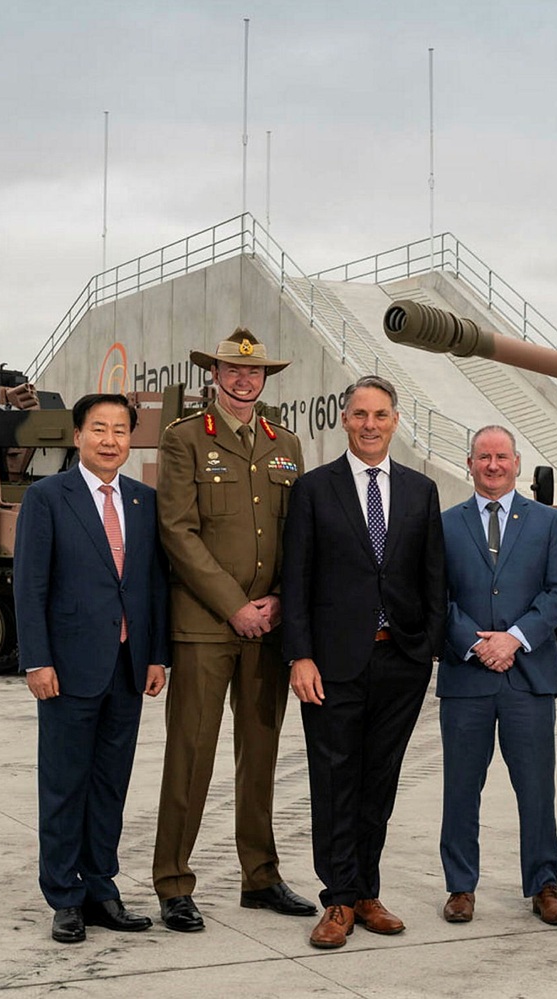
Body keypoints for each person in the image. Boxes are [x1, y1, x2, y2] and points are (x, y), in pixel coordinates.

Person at [151, 328, 315, 932]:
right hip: (205, 626)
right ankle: (172, 881)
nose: (244, 380)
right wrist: (233, 605)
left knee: (262, 755)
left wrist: (276, 601)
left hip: (268, 627)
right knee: (190, 755)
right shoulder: (185, 439)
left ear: (265, 379)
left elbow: (299, 534)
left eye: (255, 372)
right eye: (233, 370)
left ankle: (261, 876)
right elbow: (177, 530)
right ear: (215, 374)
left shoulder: (286, 444)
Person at [281, 374, 446, 949]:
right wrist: (300, 655)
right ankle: (337, 900)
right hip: (331, 664)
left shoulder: (421, 491)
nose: (370, 424)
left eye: (380, 415)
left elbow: (433, 578)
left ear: (395, 420)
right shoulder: (313, 490)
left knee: (380, 781)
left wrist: (426, 648)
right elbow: (295, 581)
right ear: (344, 420)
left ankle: (366, 891)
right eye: (359, 415)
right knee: (334, 780)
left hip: (399, 660)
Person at [13, 392, 169, 945]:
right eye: (99, 429)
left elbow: (152, 585)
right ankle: (64, 896)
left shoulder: (144, 502)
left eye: (121, 430)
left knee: (109, 785)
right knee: (63, 785)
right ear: (77, 435)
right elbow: (29, 586)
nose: (110, 440)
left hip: (127, 668)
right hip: (67, 668)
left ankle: (102, 888)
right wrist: (36, 658)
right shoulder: (47, 498)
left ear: (132, 438)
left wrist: (156, 654)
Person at [437, 426, 557, 927]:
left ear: (518, 463)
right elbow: (437, 598)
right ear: (469, 463)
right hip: (467, 678)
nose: (492, 465)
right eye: (482, 457)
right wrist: (476, 642)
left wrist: (513, 638)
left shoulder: (546, 522)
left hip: (528, 678)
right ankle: (460, 887)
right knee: (460, 787)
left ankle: (544, 885)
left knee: (537, 788)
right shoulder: (445, 524)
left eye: (501, 457)